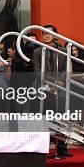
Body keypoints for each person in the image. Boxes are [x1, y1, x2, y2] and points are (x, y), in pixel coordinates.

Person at [33, 24, 71, 159]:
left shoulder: (62, 50)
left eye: (48, 33)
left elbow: (66, 69)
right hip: (44, 89)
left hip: (60, 88)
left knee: (61, 118)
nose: (46, 36)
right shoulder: (38, 51)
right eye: (43, 33)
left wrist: (59, 82)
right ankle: (42, 149)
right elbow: (38, 71)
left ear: (55, 35)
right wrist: (53, 82)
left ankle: (61, 149)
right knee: (45, 119)